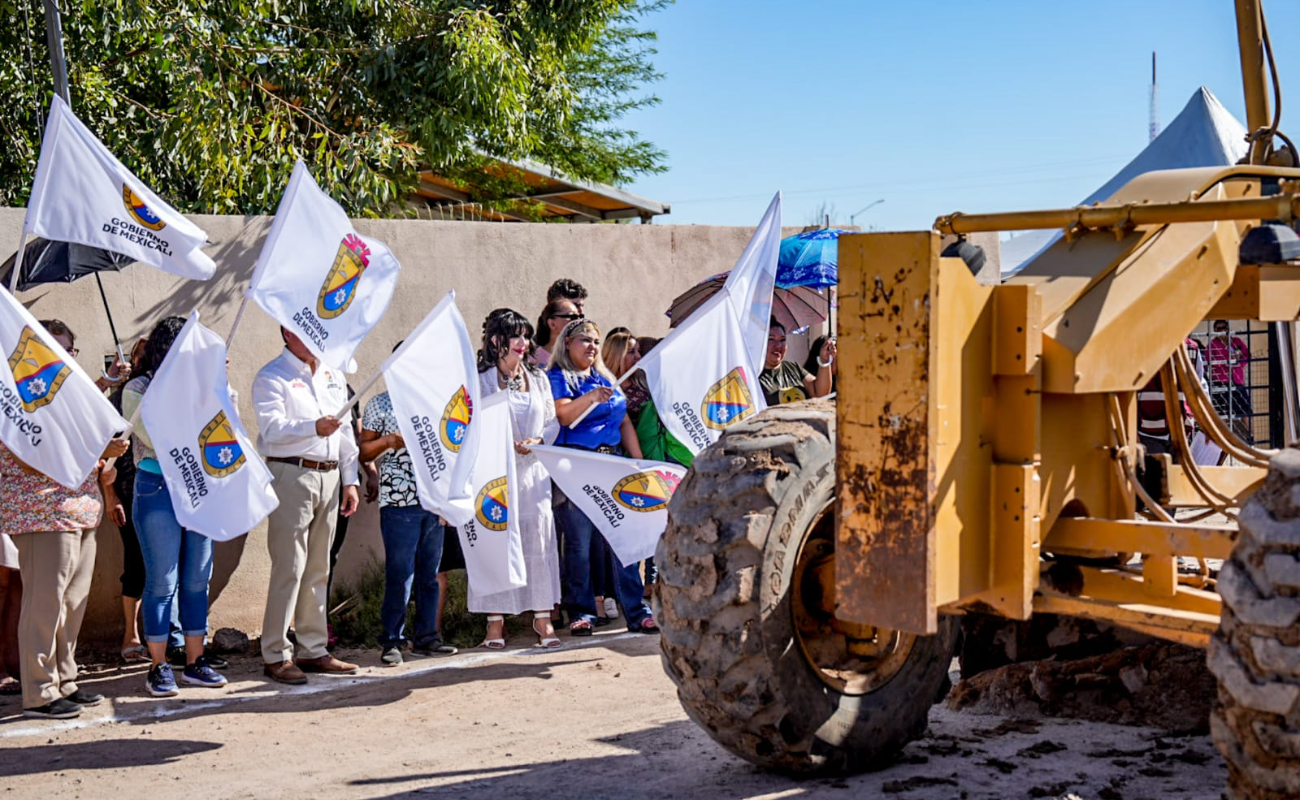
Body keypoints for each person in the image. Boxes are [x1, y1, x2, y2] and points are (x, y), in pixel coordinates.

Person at [4, 318, 129, 718]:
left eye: (67, 352)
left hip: (81, 510)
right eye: (52, 351)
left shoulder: (69, 402)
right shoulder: (17, 400)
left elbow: (82, 445)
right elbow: (35, 455)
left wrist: (105, 460)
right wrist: (94, 449)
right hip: (42, 511)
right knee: (44, 602)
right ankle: (39, 691)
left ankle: (64, 679)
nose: (61, 359)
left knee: (72, 603)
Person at [121, 317, 228, 696]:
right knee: (162, 581)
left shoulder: (202, 387)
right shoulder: (138, 388)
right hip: (157, 487)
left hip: (198, 488)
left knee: (197, 579)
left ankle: (196, 662)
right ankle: (159, 665)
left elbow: (220, 429)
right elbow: (159, 436)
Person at [254, 328, 360, 685]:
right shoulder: (272, 376)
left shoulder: (332, 373)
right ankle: (276, 653)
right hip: (292, 474)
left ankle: (313, 648)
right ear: (286, 331)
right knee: (290, 565)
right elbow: (272, 430)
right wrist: (313, 427)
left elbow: (345, 433)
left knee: (318, 566)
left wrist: (351, 479)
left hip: (329, 476)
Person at [547, 318, 658, 636]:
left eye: (596, 340)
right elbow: (564, 415)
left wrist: (637, 463)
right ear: (567, 343)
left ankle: (636, 611)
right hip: (578, 466)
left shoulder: (603, 375)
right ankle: (582, 612)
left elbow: (623, 420)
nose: (592, 346)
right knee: (579, 545)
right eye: (585, 340)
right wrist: (592, 397)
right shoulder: (559, 376)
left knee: (624, 541)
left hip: (614, 464)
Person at [360, 344, 458, 667]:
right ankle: (392, 640)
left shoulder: (436, 402)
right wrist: (389, 441)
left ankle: (427, 636)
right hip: (398, 501)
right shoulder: (380, 404)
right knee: (400, 572)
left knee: (430, 573)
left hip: (432, 500)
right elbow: (364, 452)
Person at [471, 309, 562, 648]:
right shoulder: (480, 380)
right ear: (497, 340)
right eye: (516, 336)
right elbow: (472, 425)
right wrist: (501, 443)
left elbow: (552, 422)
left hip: (534, 475)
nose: (524, 343)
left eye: (526, 336)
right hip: (495, 474)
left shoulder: (538, 378)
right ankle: (495, 623)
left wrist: (538, 441)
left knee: (538, 542)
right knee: (496, 542)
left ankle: (542, 619)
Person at [103, 336, 154, 663]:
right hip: (128, 489)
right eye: (140, 356)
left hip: (161, 488)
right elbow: (104, 453)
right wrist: (110, 497)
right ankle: (130, 635)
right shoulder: (119, 397)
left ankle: (160, 635)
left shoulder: (160, 395)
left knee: (160, 565)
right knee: (135, 562)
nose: (143, 361)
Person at [327, 383, 379, 648]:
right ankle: (299, 625)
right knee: (301, 559)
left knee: (329, 555)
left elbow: (357, 437)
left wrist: (369, 472)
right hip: (306, 478)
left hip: (341, 482)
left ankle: (320, 622)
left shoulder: (342, 385)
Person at [760, 320, 835, 406]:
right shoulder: (753, 375)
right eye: (771, 339)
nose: (778, 345)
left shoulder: (793, 368)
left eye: (782, 340)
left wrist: (825, 360)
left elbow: (820, 393)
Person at [1208, 319, 1253, 442]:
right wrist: (1224, 364)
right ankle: (1223, 439)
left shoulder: (1236, 341)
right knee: (1222, 412)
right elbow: (1209, 362)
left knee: (1245, 410)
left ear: (1228, 329)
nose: (1222, 331)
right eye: (1219, 329)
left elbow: (1247, 356)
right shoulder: (1212, 345)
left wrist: (1238, 363)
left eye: (1224, 328)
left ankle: (1250, 437)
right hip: (1221, 382)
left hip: (1237, 381)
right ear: (1215, 331)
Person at [532, 297, 582, 368]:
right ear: (552, 324)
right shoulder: (534, 358)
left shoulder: (579, 357)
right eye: (572, 317)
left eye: (580, 317)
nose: (578, 321)